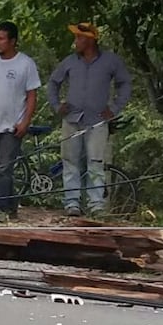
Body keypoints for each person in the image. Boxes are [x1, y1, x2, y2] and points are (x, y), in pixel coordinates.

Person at [46, 21, 132, 216]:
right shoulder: (69, 61)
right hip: (71, 119)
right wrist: (57, 105)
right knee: (70, 161)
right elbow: (53, 83)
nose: (76, 41)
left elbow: (125, 83)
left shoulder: (110, 61)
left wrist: (115, 108)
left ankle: (96, 205)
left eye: (79, 37)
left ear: (90, 40)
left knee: (95, 161)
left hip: (97, 121)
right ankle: (72, 203)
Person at [0, 21, 41, 223]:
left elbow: (32, 95)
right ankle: (11, 204)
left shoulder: (26, 64)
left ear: (13, 41)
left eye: (1, 39)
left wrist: (25, 121)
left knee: (5, 167)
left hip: (12, 126)